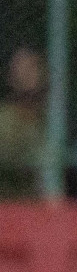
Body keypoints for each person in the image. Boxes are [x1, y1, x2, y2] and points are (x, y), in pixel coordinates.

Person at [0, 47, 45, 198]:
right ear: (10, 77)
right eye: (20, 69)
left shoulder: (53, 117)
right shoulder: (5, 118)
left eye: (32, 68)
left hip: (46, 201)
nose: (26, 74)